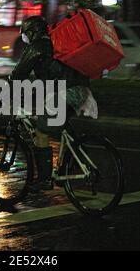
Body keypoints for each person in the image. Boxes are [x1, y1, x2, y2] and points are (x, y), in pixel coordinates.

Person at [9, 16, 93, 192]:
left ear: (33, 33)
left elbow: (18, 74)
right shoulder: (56, 42)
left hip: (66, 92)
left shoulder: (38, 46)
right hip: (82, 90)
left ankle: (45, 180)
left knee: (41, 131)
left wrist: (11, 84)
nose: (26, 39)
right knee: (61, 124)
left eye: (26, 35)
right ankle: (69, 164)